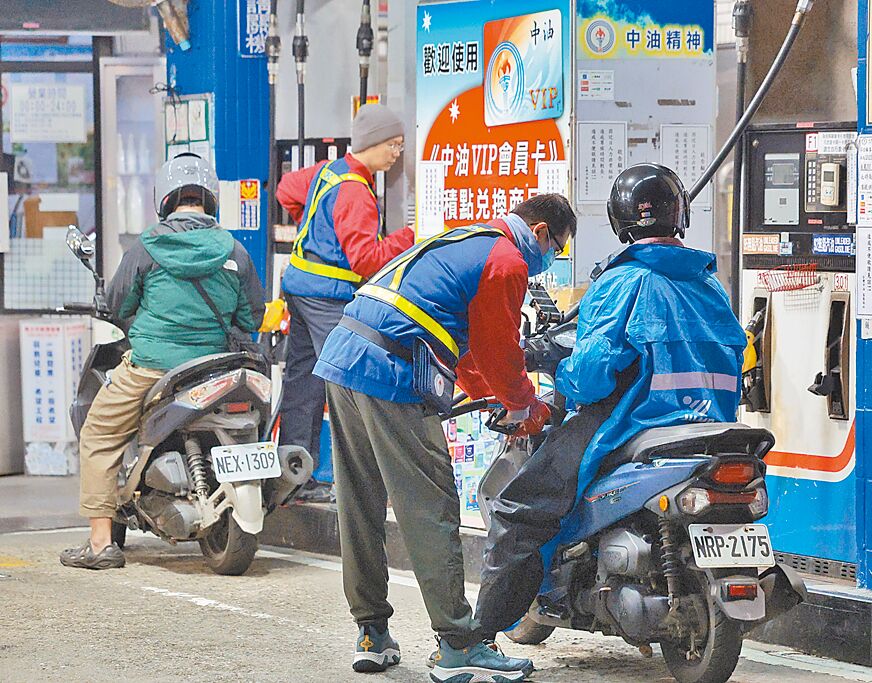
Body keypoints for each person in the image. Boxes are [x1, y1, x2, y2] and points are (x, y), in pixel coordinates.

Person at [473, 164, 748, 640]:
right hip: (709, 425)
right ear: (679, 215)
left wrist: (560, 371)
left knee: (521, 510)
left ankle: (476, 636)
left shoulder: (622, 283)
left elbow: (590, 379)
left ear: (620, 222)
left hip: (628, 425)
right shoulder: (711, 286)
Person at [313, 194, 576, 681]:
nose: (550, 260)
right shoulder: (508, 261)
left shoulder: (470, 240)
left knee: (360, 503)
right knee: (430, 507)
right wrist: (525, 406)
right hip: (390, 370)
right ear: (541, 232)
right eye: (557, 249)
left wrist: (495, 397)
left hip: (344, 355)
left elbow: (472, 348)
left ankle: (372, 633)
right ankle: (458, 644)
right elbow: (499, 350)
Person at [59, 153, 266, 570]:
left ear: (166, 198)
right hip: (220, 365)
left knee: (98, 434)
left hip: (155, 365)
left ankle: (100, 545)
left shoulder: (148, 246)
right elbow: (251, 317)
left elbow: (119, 303)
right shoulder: (235, 250)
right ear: (209, 198)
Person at [275, 103, 415, 502]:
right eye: (394, 144)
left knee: (302, 380)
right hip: (325, 298)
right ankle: (351, 486)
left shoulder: (328, 171)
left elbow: (286, 189)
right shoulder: (356, 192)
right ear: (375, 144)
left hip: (299, 289)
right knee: (345, 384)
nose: (396, 153)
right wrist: (410, 237)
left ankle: (294, 476)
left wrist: (315, 227)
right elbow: (367, 260)